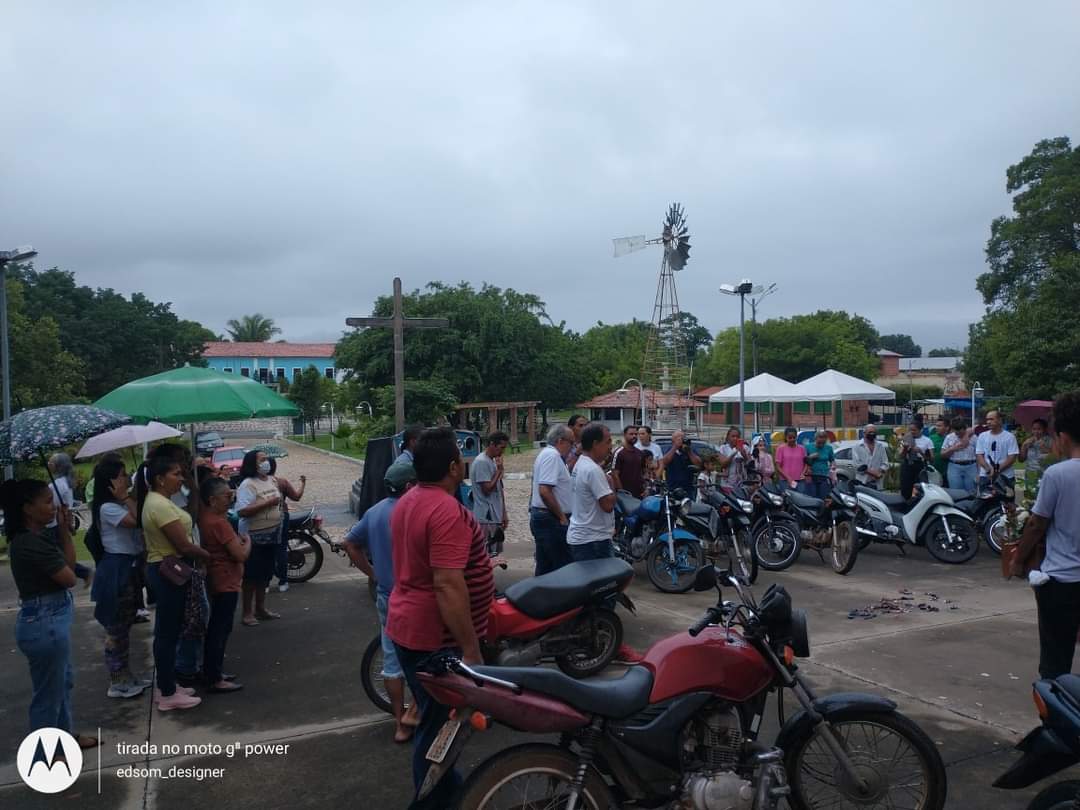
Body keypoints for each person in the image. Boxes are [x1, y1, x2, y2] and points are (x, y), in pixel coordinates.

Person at [386, 428, 495, 809]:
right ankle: (429, 802)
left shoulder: (409, 499)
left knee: (436, 724)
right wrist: (471, 650)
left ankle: (448, 795)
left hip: (409, 627)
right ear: (452, 467)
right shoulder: (445, 510)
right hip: (434, 638)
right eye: (461, 459)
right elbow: (447, 584)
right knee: (437, 731)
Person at [3, 478, 98, 749]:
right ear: (27, 508)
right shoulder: (28, 543)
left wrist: (63, 531)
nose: (53, 506)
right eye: (46, 502)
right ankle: (46, 752)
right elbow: (68, 577)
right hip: (43, 622)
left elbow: (67, 565)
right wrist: (65, 535)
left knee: (62, 684)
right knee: (48, 694)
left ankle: (64, 737)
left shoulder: (37, 538)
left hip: (50, 618)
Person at [344, 462, 420, 743]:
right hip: (414, 598)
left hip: (387, 595)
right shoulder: (412, 512)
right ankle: (418, 710)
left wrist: (373, 573)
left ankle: (400, 724)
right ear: (409, 486)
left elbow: (350, 543)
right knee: (427, 656)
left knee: (391, 660)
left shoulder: (374, 512)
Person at [1008, 392, 1080, 678]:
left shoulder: (1058, 474)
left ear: (1062, 436)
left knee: (1055, 661)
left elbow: (1037, 524)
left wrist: (1017, 560)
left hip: (1062, 581)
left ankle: (1056, 704)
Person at [138, 455, 210, 711]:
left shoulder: (160, 501)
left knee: (170, 631)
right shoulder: (159, 505)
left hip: (168, 569)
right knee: (167, 634)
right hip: (169, 571)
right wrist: (209, 555)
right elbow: (183, 545)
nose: (181, 478)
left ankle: (167, 684)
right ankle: (168, 693)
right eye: (176, 474)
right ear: (160, 479)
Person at [89, 457, 151, 699]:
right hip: (116, 570)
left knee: (124, 627)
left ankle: (126, 675)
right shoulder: (108, 508)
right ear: (111, 482)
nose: (126, 478)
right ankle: (117, 681)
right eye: (122, 475)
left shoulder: (118, 504)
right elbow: (138, 521)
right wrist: (126, 498)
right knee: (116, 630)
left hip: (128, 568)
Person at [198, 477, 249, 693]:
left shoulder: (205, 518)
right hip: (225, 581)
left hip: (217, 578)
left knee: (217, 628)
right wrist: (248, 543)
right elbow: (240, 555)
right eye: (227, 496)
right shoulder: (218, 523)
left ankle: (214, 671)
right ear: (212, 500)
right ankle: (214, 677)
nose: (231, 499)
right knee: (220, 629)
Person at [235, 450, 284, 626]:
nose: (266, 462)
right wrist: (268, 503)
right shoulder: (247, 485)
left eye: (266, 459)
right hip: (253, 538)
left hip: (272, 535)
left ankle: (260, 608)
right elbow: (242, 511)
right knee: (251, 576)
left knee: (265, 574)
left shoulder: (271, 480)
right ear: (252, 463)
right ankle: (247, 612)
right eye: (262, 460)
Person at [567, 423, 617, 561]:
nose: (610, 446)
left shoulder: (581, 463)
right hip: (593, 541)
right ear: (595, 444)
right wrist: (611, 483)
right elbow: (608, 505)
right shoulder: (592, 470)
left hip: (584, 537)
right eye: (608, 442)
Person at [529, 425, 574, 575]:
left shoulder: (550, 455)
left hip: (547, 517)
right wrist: (562, 517)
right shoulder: (552, 456)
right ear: (561, 441)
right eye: (571, 443)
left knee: (546, 568)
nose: (572, 447)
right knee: (560, 568)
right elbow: (545, 491)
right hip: (550, 518)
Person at [46, 452, 93, 587]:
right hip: (61, 524)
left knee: (57, 557)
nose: (49, 465)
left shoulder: (56, 486)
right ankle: (83, 573)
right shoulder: (65, 483)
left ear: (58, 466)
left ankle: (83, 572)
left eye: (51, 462)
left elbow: (57, 506)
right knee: (61, 555)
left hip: (54, 525)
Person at [268, 457, 306, 594]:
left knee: (266, 550)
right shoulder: (281, 482)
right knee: (281, 549)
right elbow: (296, 497)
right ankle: (283, 582)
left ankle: (266, 582)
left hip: (263, 520)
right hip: (281, 516)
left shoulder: (254, 484)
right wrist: (303, 484)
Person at [471, 431, 510, 557]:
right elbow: (487, 489)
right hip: (486, 516)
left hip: (495, 516)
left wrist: (503, 513)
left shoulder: (492, 461)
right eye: (501, 448)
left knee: (494, 553)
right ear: (492, 444)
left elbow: (499, 488)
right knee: (486, 553)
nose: (502, 452)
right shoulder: (481, 462)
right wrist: (499, 472)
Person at [976, 409, 1019, 496]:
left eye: (991, 419)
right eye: (987, 419)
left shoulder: (1010, 437)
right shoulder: (982, 436)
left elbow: (1012, 457)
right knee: (985, 502)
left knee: (1006, 501)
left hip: (1005, 476)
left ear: (999, 420)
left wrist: (997, 470)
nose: (988, 422)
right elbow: (979, 455)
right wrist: (988, 469)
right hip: (986, 476)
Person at [898, 419, 934, 500]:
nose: (912, 432)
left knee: (920, 489)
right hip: (907, 465)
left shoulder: (927, 441)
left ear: (921, 430)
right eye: (910, 430)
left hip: (920, 465)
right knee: (905, 488)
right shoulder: (906, 438)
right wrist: (905, 448)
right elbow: (901, 456)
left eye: (914, 430)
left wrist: (921, 452)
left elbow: (931, 459)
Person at [661, 429, 701, 498]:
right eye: (678, 439)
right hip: (672, 487)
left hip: (688, 488)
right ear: (673, 441)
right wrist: (675, 447)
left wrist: (689, 452)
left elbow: (698, 463)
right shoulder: (670, 450)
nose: (681, 440)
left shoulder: (689, 450)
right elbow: (664, 462)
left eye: (682, 438)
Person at [941, 417, 978, 493]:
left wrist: (979, 471)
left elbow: (979, 454)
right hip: (954, 467)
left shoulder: (974, 437)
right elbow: (942, 454)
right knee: (956, 492)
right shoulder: (949, 437)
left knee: (972, 492)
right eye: (956, 432)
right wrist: (952, 449)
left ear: (965, 428)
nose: (958, 434)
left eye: (960, 432)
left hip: (971, 467)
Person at [1021, 418, 1054, 495]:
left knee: (1042, 496)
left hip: (1044, 474)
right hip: (1029, 473)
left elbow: (1055, 460)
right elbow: (1021, 459)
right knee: (1028, 496)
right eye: (1034, 429)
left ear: (1045, 430)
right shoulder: (1029, 441)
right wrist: (1024, 446)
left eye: (1039, 429)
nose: (1036, 432)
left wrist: (1045, 449)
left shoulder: (1051, 441)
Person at [611, 425, 645, 498]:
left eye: (636, 434)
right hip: (624, 496)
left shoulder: (640, 453)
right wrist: (623, 493)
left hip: (639, 494)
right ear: (624, 435)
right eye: (631, 434)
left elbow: (643, 472)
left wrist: (645, 488)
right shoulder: (618, 453)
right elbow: (614, 474)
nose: (634, 436)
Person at [805, 431, 837, 499]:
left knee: (823, 496)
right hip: (811, 476)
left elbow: (832, 460)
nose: (821, 444)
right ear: (815, 439)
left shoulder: (829, 448)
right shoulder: (808, 447)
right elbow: (803, 461)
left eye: (823, 443)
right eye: (819, 442)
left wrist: (833, 466)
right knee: (812, 497)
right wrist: (810, 456)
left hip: (824, 476)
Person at [774, 428, 807, 493]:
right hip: (785, 481)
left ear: (796, 437)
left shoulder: (802, 448)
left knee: (800, 498)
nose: (792, 439)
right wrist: (788, 478)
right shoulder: (781, 448)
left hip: (800, 480)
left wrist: (803, 473)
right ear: (786, 437)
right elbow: (778, 466)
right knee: (787, 498)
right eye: (790, 438)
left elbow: (806, 463)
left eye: (794, 437)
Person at [931, 417, 950, 484]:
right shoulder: (931, 438)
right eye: (936, 425)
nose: (936, 428)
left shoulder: (951, 438)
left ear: (947, 428)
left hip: (948, 471)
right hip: (934, 471)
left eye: (939, 426)